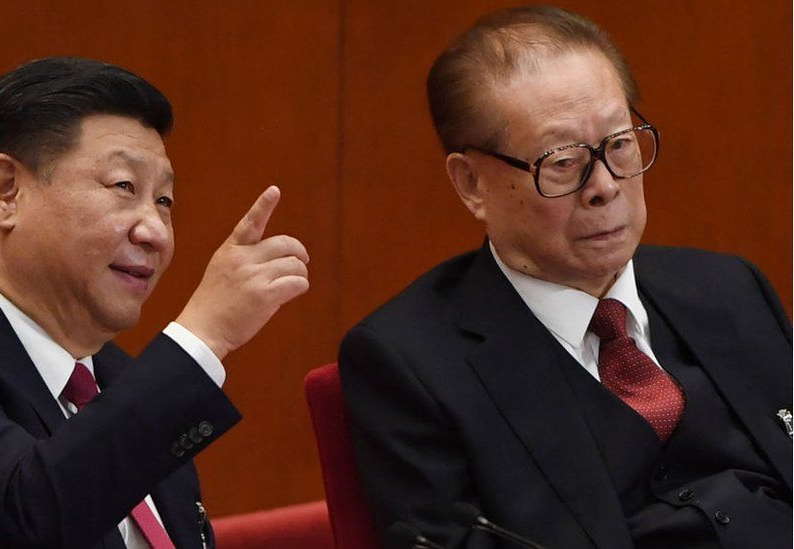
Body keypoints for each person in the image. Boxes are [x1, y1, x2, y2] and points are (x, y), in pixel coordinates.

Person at [339, 6, 791, 548]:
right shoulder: (411, 365)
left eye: (620, 144)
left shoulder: (728, 288)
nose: (604, 185)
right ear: (471, 185)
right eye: (562, 161)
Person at [0, 57, 309, 548]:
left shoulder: (122, 382)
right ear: (6, 191)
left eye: (164, 201)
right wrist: (202, 338)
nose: (156, 232)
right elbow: (27, 520)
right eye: (124, 187)